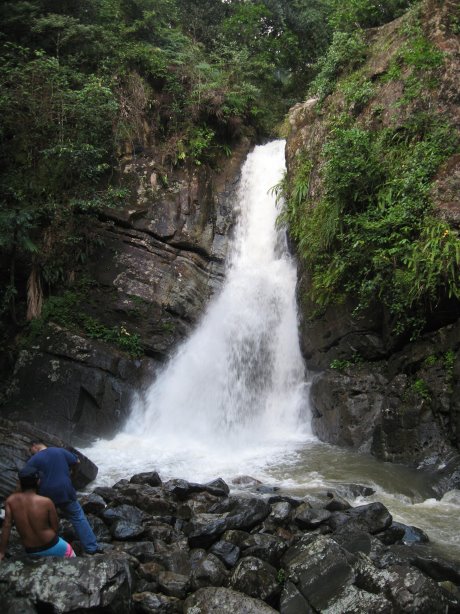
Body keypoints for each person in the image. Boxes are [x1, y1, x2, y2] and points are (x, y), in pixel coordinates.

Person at [26, 442, 101, 555]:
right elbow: (77, 461)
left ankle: (50, 547)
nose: (31, 454)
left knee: (47, 520)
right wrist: (72, 475)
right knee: (77, 517)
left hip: (46, 493)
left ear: (35, 446)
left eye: (30, 451)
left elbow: (27, 476)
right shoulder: (59, 450)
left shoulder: (34, 459)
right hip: (64, 489)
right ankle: (92, 548)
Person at [0, 466, 75, 559]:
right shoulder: (46, 502)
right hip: (52, 545)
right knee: (71, 555)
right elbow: (55, 527)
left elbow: (6, 526)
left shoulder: (10, 501)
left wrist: (1, 552)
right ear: (38, 481)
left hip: (31, 551)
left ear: (19, 482)